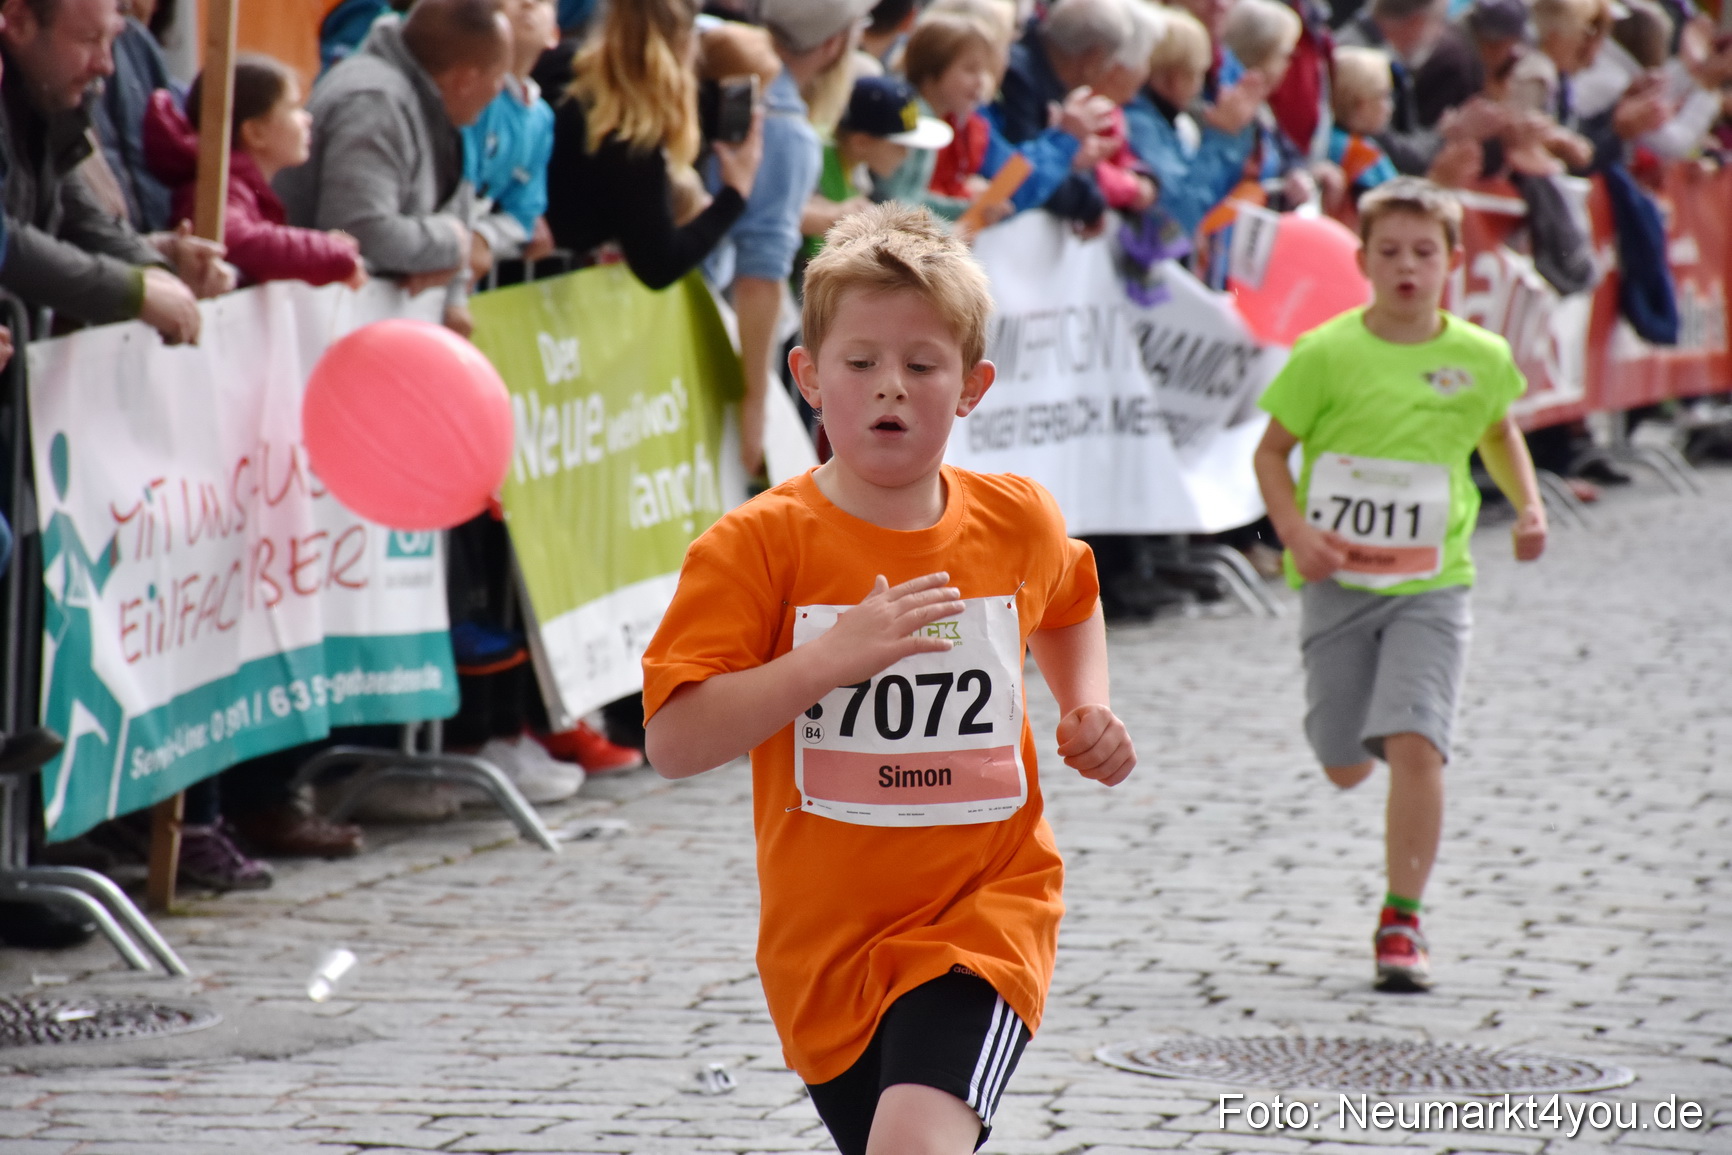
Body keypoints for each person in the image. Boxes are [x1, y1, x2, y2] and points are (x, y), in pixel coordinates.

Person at [641, 204, 1135, 1154]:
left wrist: (1087, 703)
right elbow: (673, 741)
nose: (890, 390)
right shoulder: (756, 546)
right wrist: (831, 657)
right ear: (808, 377)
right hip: (824, 949)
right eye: (861, 363)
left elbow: (1071, 597)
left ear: (973, 386)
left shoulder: (1017, 519)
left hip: (985, 914)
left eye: (922, 364)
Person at [1250, 178, 1547, 992]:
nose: (1407, 267)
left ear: (1454, 261)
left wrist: (1529, 507)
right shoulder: (1327, 352)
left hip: (1433, 582)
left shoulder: (1480, 357)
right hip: (1337, 582)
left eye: (1425, 252)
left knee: (1417, 743)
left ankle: (1402, 919)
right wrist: (1296, 532)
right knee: (1344, 759)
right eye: (1390, 251)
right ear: (1363, 261)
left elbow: (1499, 432)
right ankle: (1358, 736)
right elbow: (1271, 453)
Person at [703, 0, 873, 479]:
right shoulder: (786, 127)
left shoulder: (711, 44)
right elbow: (759, 278)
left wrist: (828, 215)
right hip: (692, 301)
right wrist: (754, 401)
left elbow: (750, 201)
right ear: (834, 44)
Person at [277, 0, 511, 337]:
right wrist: (453, 244)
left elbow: (453, 205)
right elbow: (359, 232)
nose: (500, 90)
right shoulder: (374, 102)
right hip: (310, 337)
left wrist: (450, 290)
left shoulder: (434, 101)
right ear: (465, 79)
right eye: (499, 77)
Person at [0, 0, 224, 344]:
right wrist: (132, 291)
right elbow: (7, 237)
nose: (107, 65)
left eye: (111, 40)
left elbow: (76, 211)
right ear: (16, 22)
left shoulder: (47, 100)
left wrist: (152, 271)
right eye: (89, 39)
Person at [545, 0, 762, 289]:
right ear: (686, 41)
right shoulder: (632, 134)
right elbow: (659, 263)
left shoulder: (567, 66)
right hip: (531, 283)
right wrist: (735, 193)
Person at [142, 55, 368, 288]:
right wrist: (330, 252)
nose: (307, 119)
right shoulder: (218, 188)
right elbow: (236, 241)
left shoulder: (237, 186)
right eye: (293, 108)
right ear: (254, 132)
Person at [883, 10, 1107, 225]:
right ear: (932, 68)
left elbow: (1014, 181)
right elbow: (895, 202)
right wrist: (956, 223)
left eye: (986, 71)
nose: (981, 82)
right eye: (970, 69)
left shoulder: (969, 126)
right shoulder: (910, 120)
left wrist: (972, 206)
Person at [990, 0, 1129, 232]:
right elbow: (1022, 175)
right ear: (1092, 58)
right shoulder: (1018, 76)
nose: (1106, 71)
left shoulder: (1045, 77)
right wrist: (1090, 203)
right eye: (1108, 62)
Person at [1123, 6, 1261, 237]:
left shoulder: (1173, 124)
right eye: (1198, 74)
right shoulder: (1139, 124)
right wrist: (1222, 137)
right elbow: (1178, 218)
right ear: (1173, 78)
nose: (1199, 88)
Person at [802, 74, 953, 255]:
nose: (907, 154)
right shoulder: (812, 161)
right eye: (899, 145)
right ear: (861, 142)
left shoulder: (856, 168)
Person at [463, 0, 559, 283]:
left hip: (465, 267)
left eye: (542, 1)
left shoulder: (541, 118)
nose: (528, 4)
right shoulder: (466, 85)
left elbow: (526, 211)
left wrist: (485, 237)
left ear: (554, 34)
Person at [1329, 46, 1402, 194]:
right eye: (1384, 96)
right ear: (1361, 103)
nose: (1390, 107)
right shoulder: (1357, 153)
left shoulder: (1324, 140)